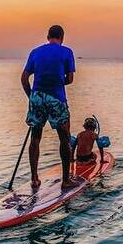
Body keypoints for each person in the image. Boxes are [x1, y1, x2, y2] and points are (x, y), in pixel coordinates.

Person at [21, 24, 80, 190]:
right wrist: (58, 80)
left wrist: (32, 97)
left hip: (37, 97)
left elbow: (24, 78)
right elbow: (70, 79)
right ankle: (66, 180)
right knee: (64, 137)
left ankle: (34, 178)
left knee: (35, 138)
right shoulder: (67, 52)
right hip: (56, 98)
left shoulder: (35, 52)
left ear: (48, 37)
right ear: (62, 37)